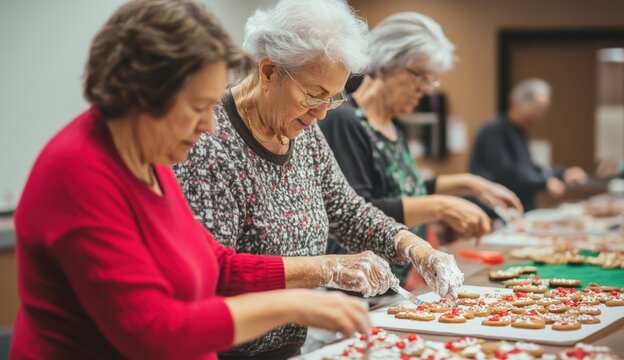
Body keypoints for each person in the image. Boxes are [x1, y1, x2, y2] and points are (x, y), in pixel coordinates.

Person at [10, 1, 374, 359]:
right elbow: (151, 331)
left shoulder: (148, 159)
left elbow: (218, 265)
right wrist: (291, 304)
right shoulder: (78, 174)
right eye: (198, 108)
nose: (210, 125)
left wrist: (322, 271)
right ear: (146, 97)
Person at [173, 0, 464, 358]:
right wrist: (327, 268)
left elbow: (348, 210)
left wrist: (416, 248)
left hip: (291, 347)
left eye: (334, 97)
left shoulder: (303, 131)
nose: (323, 112)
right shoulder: (209, 140)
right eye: (314, 94)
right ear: (268, 71)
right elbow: (213, 272)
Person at [319, 12, 523, 287]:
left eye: (431, 80)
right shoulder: (345, 122)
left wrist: (470, 184)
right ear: (387, 63)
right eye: (421, 77)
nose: (427, 90)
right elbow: (360, 211)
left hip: (394, 287)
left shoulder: (393, 127)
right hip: (357, 290)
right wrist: (441, 206)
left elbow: (405, 189)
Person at [470, 78, 588, 211]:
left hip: (517, 209)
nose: (541, 115)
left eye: (544, 110)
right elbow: (508, 175)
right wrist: (544, 183)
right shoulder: (494, 131)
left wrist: (562, 173)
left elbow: (529, 169)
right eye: (539, 109)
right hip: (496, 210)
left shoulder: (519, 131)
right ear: (518, 102)